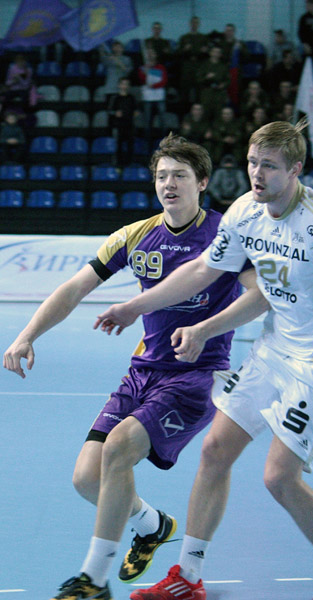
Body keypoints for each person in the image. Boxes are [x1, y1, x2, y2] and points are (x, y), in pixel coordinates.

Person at [94, 118, 313, 600]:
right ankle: (188, 576)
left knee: (278, 478)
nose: (256, 173)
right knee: (214, 451)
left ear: (295, 170)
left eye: (268, 165)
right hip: (274, 348)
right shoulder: (245, 212)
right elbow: (205, 271)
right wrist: (138, 308)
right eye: (252, 162)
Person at [3, 134, 262, 600]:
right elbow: (74, 288)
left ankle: (93, 579)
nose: (169, 184)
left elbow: (259, 295)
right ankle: (152, 525)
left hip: (197, 376)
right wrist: (27, 335)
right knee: (88, 478)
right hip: (142, 372)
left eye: (180, 175)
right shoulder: (136, 235)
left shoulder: (225, 237)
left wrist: (207, 329)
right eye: (161, 176)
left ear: (202, 182)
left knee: (119, 447)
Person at [107, 77, 138, 167]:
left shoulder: (132, 98)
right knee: (118, 145)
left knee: (130, 145)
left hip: (129, 124)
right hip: (118, 125)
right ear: (119, 85)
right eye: (123, 84)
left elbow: (136, 109)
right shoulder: (115, 98)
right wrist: (115, 113)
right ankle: (118, 164)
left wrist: (135, 113)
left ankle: (129, 164)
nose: (124, 86)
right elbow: (109, 111)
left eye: (126, 84)